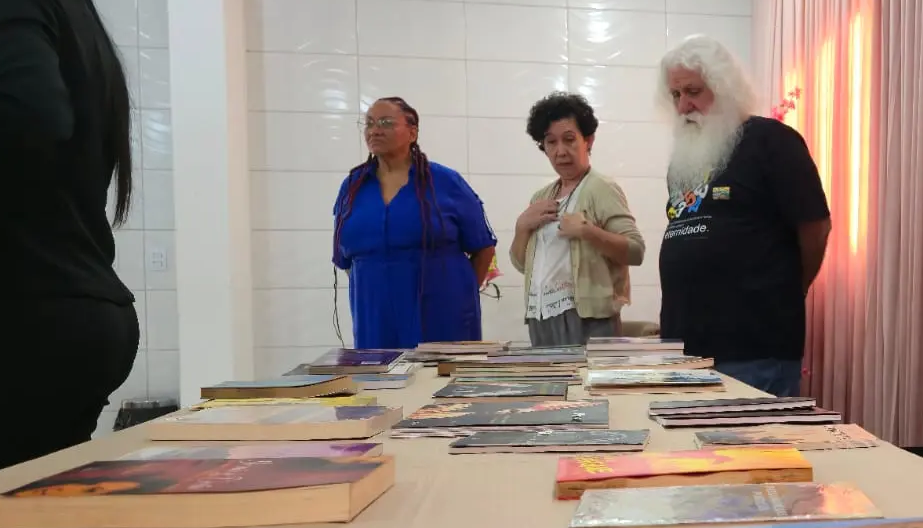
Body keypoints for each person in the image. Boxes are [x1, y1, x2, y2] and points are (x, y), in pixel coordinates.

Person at [0, 0, 142, 483]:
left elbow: (20, 114)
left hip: (9, 317)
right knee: (18, 521)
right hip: (75, 312)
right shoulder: (68, 10)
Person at [656, 36, 831, 397]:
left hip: (754, 349)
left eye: (693, 91)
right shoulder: (683, 160)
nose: (683, 105)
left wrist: (792, 287)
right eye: (675, 95)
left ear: (724, 87)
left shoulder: (772, 141)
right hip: (685, 349)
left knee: (756, 437)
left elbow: (815, 227)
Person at [333, 97, 498, 349]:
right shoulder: (353, 187)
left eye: (386, 123)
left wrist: (461, 295)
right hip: (375, 318)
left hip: (443, 317)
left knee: (439, 374)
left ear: (412, 132)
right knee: (380, 373)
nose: (375, 130)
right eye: (369, 123)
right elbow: (346, 259)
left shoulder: (445, 182)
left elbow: (483, 248)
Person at [511, 92, 645, 346]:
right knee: (546, 375)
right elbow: (521, 265)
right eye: (551, 142)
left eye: (569, 139)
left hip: (588, 318)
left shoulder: (600, 188)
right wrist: (521, 227)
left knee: (587, 375)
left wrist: (587, 231)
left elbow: (636, 251)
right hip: (540, 317)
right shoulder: (541, 197)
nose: (560, 151)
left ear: (588, 140)